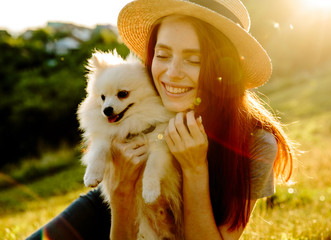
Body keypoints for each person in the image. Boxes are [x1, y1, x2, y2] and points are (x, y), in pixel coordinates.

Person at [27, 0, 295, 239]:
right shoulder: (133, 110)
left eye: (194, 60)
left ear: (222, 67)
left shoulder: (253, 143)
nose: (172, 73)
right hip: (109, 209)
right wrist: (120, 192)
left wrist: (194, 170)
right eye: (163, 55)